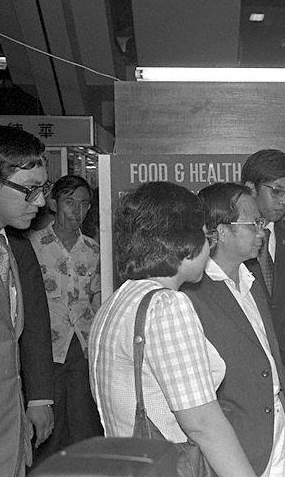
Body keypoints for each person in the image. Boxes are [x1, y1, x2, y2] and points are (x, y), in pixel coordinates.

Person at [89, 181, 257, 477]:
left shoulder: (118, 301)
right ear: (182, 242)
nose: (209, 247)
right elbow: (202, 422)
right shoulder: (166, 306)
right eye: (206, 236)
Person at [183, 182, 285, 476]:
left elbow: (272, 367)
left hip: (278, 438)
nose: (262, 231)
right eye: (253, 223)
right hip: (235, 454)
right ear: (221, 231)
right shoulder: (191, 296)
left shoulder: (251, 282)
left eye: (261, 223)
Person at [0, 125, 49, 476]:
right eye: (30, 190)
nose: (40, 202)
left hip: (7, 437)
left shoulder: (11, 248)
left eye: (43, 188)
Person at [29, 175, 103, 460]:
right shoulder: (34, 245)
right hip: (47, 346)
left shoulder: (94, 249)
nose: (77, 210)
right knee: (50, 424)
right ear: (53, 203)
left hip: (82, 347)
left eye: (84, 204)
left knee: (84, 421)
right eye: (70, 202)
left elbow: (97, 296)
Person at [242, 149, 285, 408]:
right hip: (245, 365)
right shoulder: (231, 238)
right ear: (250, 188)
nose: (284, 201)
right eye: (277, 191)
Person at [8, 230, 55, 463]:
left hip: (8, 395)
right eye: (29, 191)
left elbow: (35, 321)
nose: (38, 201)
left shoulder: (17, 248)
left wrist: (39, 398)